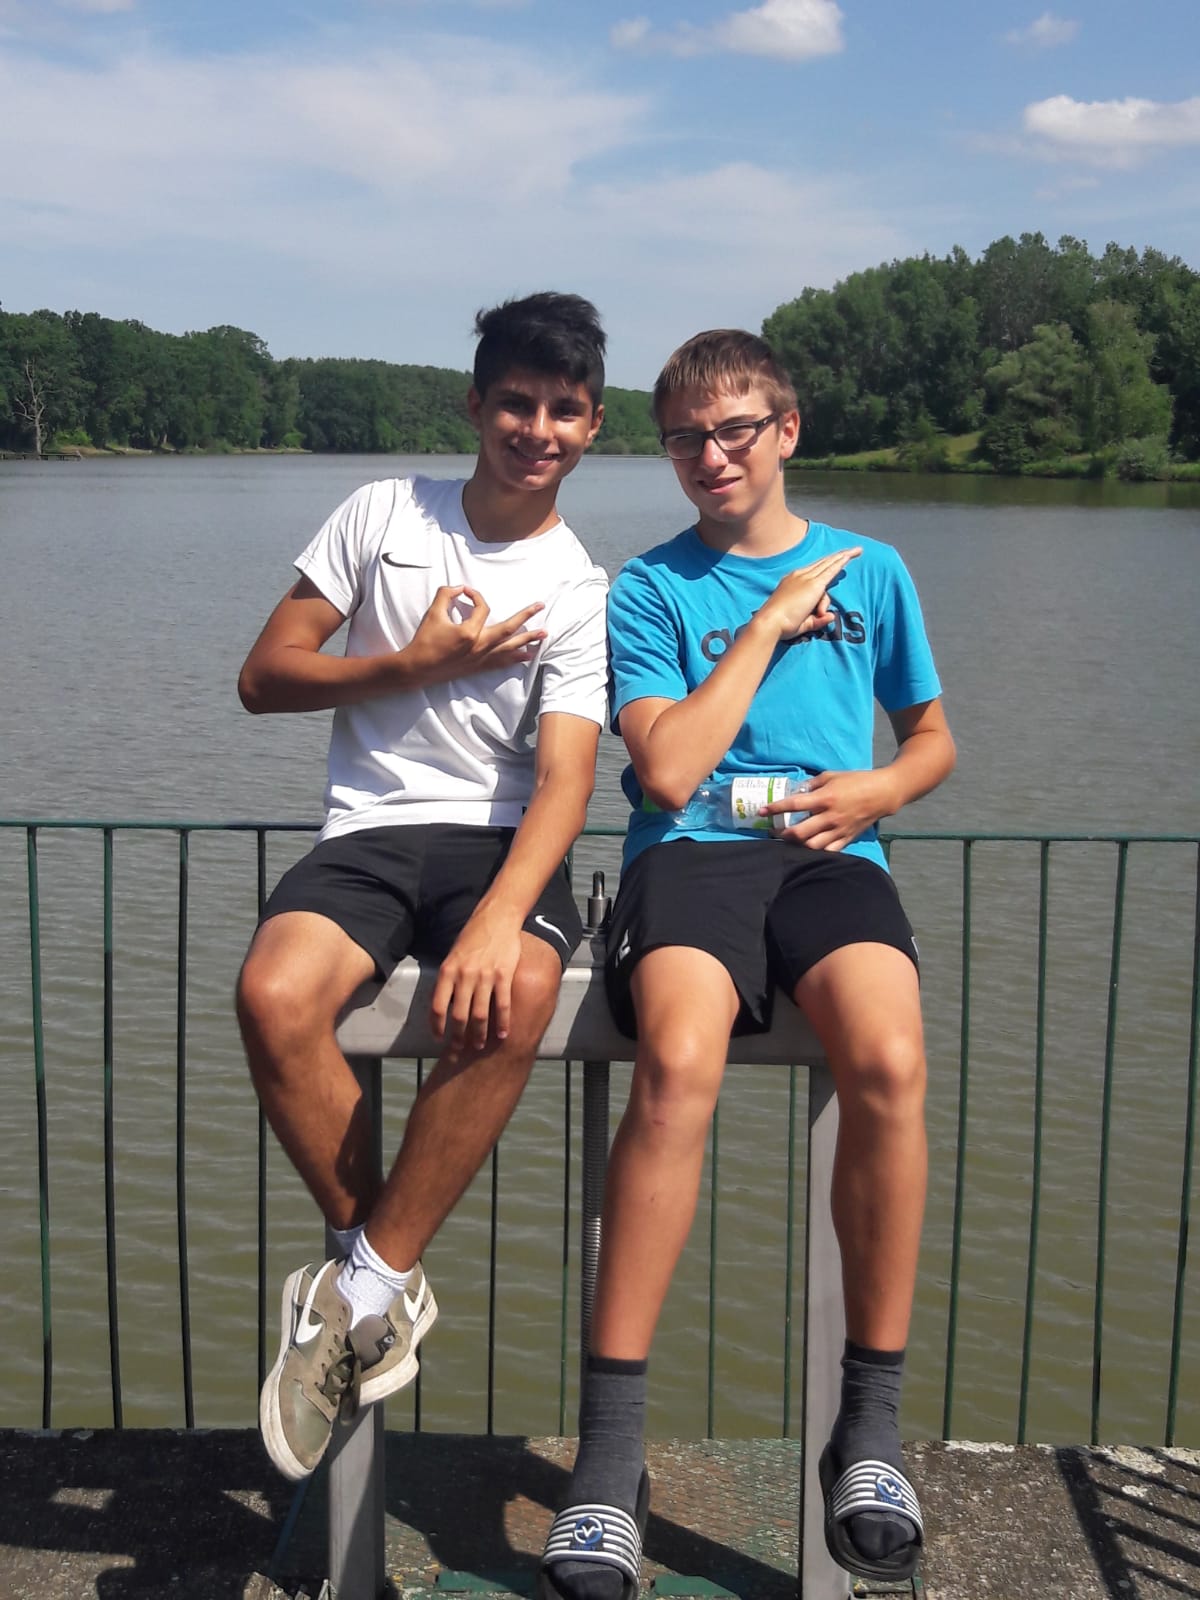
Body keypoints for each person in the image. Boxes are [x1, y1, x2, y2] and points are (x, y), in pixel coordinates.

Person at [538, 330, 955, 1598]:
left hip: (832, 855)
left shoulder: (873, 570)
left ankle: (867, 1433)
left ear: (786, 430)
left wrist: (881, 787)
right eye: (684, 438)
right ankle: (611, 1459)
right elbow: (667, 770)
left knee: (890, 1062)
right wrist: (769, 622)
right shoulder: (650, 589)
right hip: (693, 856)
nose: (709, 456)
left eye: (733, 430)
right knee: (676, 1065)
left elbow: (932, 736)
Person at [236, 291, 610, 1483]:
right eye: (517, 403)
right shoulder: (383, 513)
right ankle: (377, 1278)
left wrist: (501, 918)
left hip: (499, 842)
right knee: (273, 995)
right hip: (370, 829)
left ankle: (353, 1296)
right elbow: (263, 677)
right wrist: (413, 663)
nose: (537, 430)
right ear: (476, 404)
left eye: (564, 410)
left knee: (517, 992)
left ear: (594, 426)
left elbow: (566, 780)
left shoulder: (579, 587)